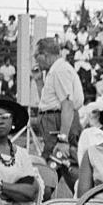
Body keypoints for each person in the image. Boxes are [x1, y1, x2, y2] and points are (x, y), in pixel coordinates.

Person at [33, 37, 84, 165]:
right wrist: (39, 81)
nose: (35, 60)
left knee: (54, 163)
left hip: (57, 124)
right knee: (59, 164)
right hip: (53, 122)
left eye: (36, 56)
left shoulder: (60, 70)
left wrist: (63, 139)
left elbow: (67, 105)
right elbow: (47, 103)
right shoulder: (55, 70)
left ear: (45, 55)